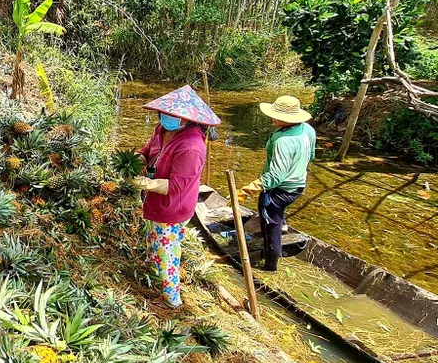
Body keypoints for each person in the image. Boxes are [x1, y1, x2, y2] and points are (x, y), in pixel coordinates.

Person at [129, 85, 220, 309]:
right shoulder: (162, 129)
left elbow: (177, 185)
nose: (167, 117)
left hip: (172, 207)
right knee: (156, 240)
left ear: (187, 119)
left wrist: (147, 184)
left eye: (173, 115)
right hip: (155, 202)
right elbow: (148, 150)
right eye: (165, 113)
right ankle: (153, 271)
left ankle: (172, 300)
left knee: (167, 253)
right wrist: (137, 158)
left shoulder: (192, 147)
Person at [237, 95, 316, 272]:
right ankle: (283, 222)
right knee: (275, 216)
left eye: (276, 115)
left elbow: (275, 177)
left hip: (279, 191)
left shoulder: (283, 141)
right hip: (297, 186)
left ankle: (270, 266)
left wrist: (245, 191)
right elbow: (310, 156)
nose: (272, 118)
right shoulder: (307, 130)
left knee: (270, 225)